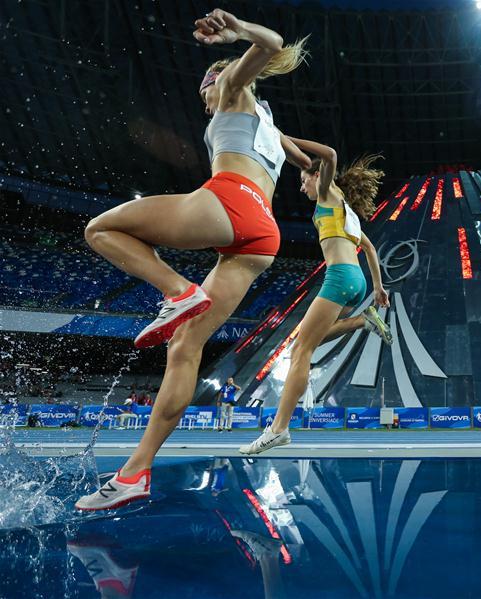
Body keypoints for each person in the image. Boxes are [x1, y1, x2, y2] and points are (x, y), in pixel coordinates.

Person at [76, 9, 312, 511]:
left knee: (101, 229)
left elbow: (270, 43)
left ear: (217, 79)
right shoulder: (269, 124)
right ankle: (135, 472)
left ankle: (177, 290)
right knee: (184, 346)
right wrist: (322, 173)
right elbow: (310, 161)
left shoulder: (230, 88)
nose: (204, 98)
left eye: (205, 88)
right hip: (261, 239)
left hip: (229, 200)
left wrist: (240, 37)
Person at [239, 143, 393, 455]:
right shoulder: (346, 213)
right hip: (357, 281)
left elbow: (332, 155)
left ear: (317, 177)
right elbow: (372, 249)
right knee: (310, 339)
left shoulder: (327, 194)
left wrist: (282, 137)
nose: (301, 185)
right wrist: (378, 288)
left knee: (300, 350)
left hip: (339, 278)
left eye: (303, 180)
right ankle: (362, 321)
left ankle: (278, 429)